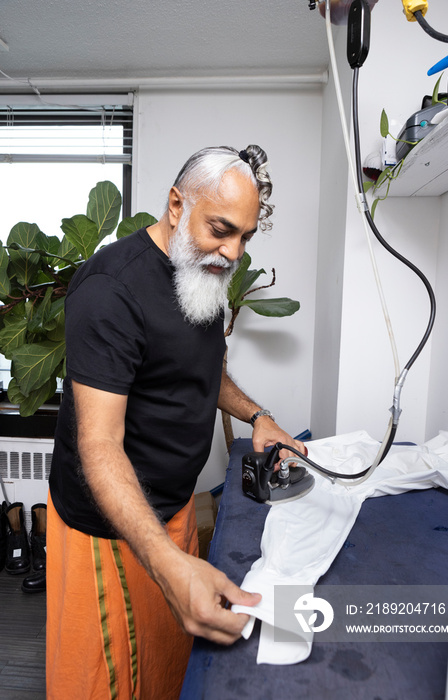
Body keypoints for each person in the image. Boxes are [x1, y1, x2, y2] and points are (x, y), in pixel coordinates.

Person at [46, 144, 306, 699]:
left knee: (169, 671)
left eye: (245, 238)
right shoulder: (109, 291)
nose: (233, 252)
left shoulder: (202, 273)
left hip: (174, 507)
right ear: (174, 205)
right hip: (108, 526)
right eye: (221, 229)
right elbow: (98, 445)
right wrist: (166, 564)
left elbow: (202, 371)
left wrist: (258, 416)